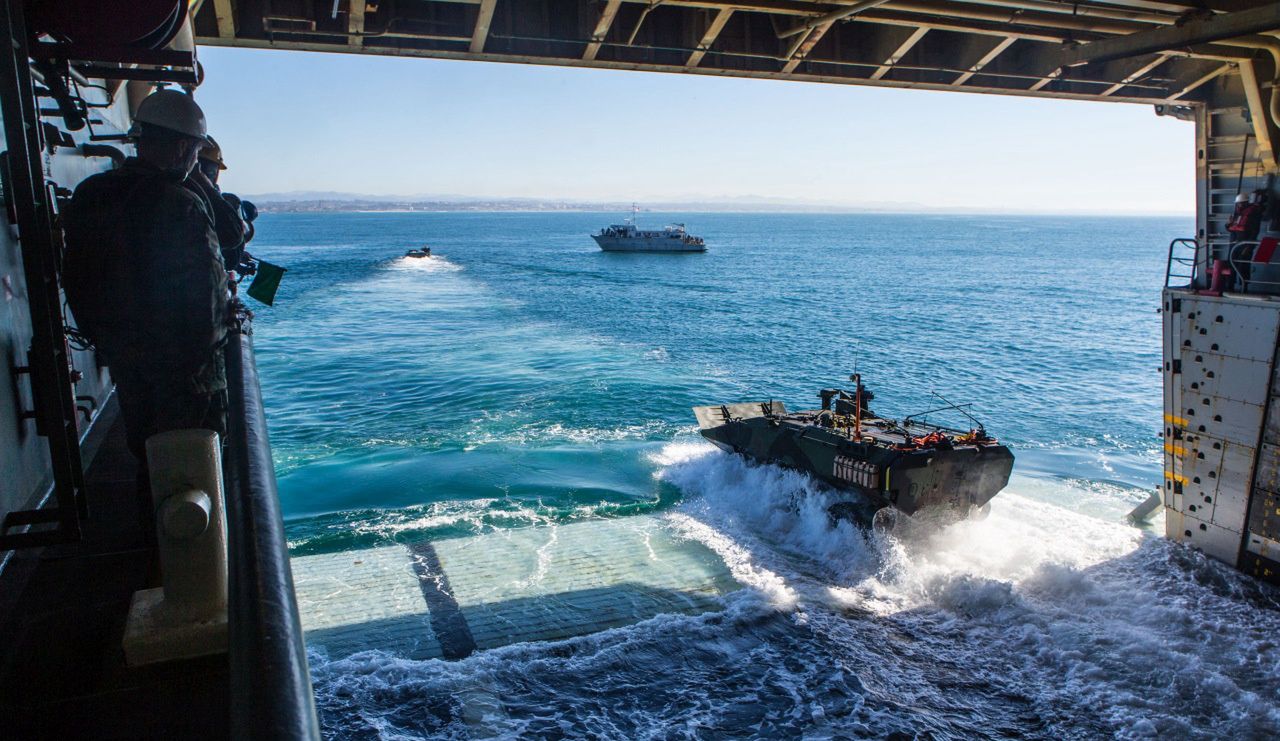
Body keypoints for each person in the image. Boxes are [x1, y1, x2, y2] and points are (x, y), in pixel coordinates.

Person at [62, 89, 230, 472]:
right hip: (188, 378)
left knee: (148, 457)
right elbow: (205, 299)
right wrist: (215, 346)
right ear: (184, 147)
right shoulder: (180, 203)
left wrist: (107, 339)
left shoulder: (92, 193)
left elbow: (75, 276)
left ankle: (152, 524)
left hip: (128, 361)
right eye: (194, 150)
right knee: (197, 468)